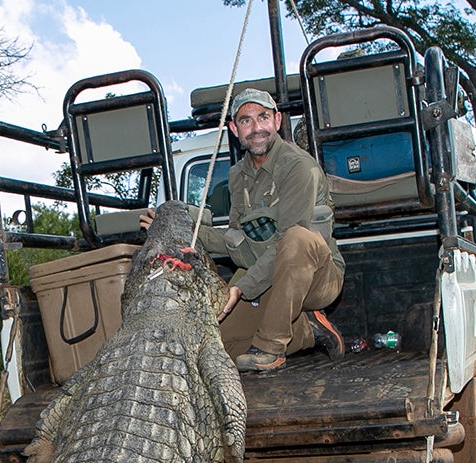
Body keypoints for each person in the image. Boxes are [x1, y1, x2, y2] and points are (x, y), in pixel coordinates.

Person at [143, 88, 346, 373]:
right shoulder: (238, 175)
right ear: (234, 129)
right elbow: (235, 242)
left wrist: (240, 288)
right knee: (213, 350)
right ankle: (306, 329)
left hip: (316, 278)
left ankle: (272, 347)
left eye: (262, 117)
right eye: (246, 121)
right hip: (268, 279)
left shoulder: (299, 168)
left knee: (296, 239)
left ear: (277, 120)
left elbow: (291, 242)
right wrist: (176, 229)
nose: (256, 128)